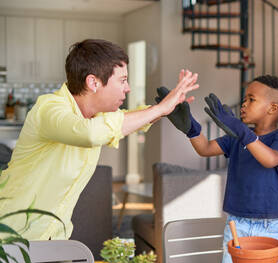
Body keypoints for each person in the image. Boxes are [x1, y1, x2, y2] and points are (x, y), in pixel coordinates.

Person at [0, 39, 199, 240]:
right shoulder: (49, 108)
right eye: (122, 80)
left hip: (53, 238)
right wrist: (160, 109)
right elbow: (90, 133)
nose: (128, 88)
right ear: (93, 82)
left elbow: (124, 120)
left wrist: (165, 110)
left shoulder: (95, 117)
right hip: (11, 235)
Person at [157, 75, 278, 263]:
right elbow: (204, 148)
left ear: (272, 108)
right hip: (236, 224)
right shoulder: (236, 137)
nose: (243, 104)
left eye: (251, 99)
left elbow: (270, 160)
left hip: (271, 226)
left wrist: (243, 134)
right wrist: (191, 129)